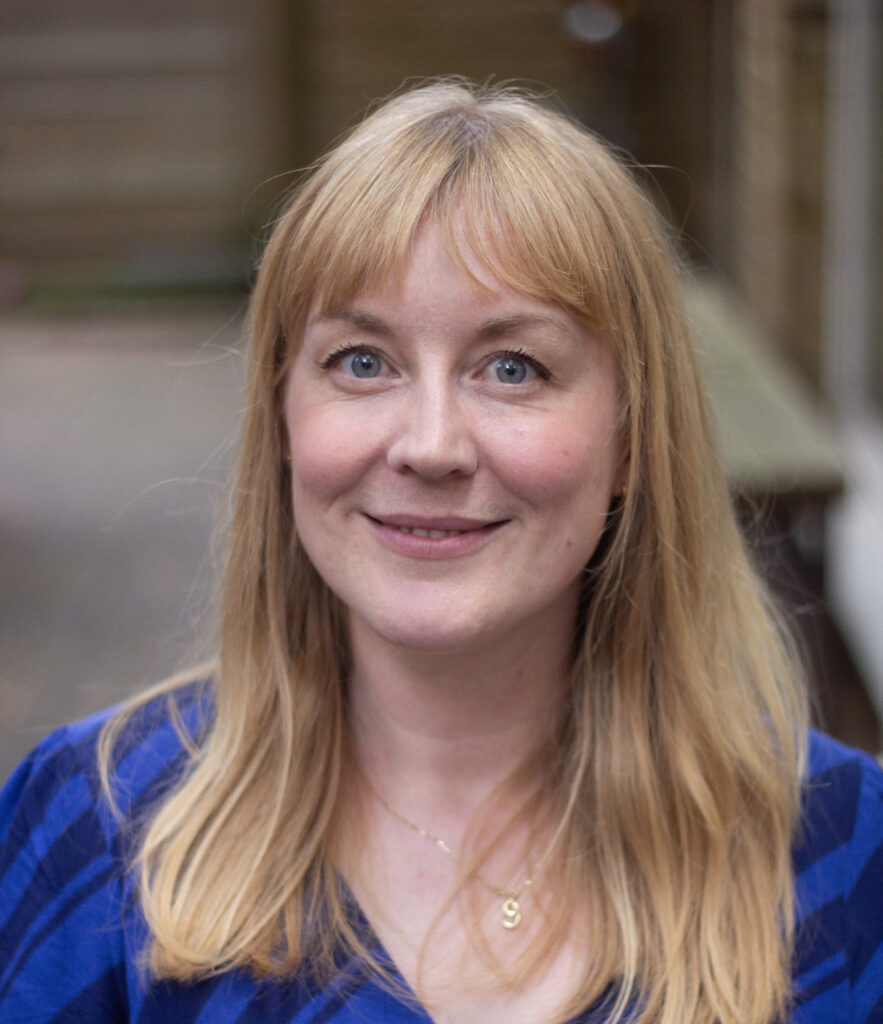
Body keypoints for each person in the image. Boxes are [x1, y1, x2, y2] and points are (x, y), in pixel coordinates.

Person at [1, 79, 881, 1024]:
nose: (429, 445)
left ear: (632, 437)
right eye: (362, 362)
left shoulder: (841, 852)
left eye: (511, 368)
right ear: (283, 417)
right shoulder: (91, 831)